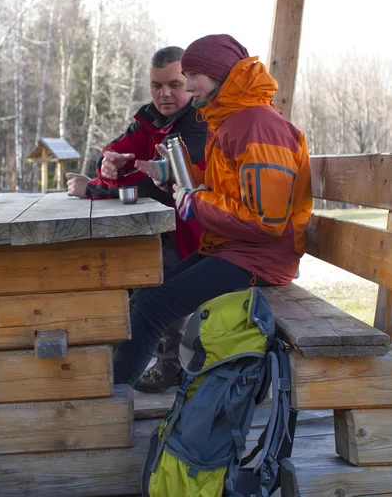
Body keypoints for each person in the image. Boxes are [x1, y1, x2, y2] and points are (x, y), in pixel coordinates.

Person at [113, 34, 312, 387]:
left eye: (193, 76)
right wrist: (175, 174)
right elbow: (228, 187)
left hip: (259, 261)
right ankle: (111, 391)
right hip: (234, 249)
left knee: (152, 306)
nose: (188, 86)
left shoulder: (258, 125)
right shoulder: (231, 120)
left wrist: (197, 203)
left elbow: (266, 220)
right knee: (145, 296)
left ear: (219, 74)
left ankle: (109, 399)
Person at [66, 46, 207, 392]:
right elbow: (119, 152)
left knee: (151, 279)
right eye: (156, 86)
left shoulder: (199, 125)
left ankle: (159, 368)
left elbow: (155, 186)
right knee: (103, 266)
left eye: (174, 84)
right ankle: (99, 365)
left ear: (189, 82)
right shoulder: (149, 118)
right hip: (159, 230)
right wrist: (107, 166)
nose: (165, 94)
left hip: (196, 237)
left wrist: (98, 190)